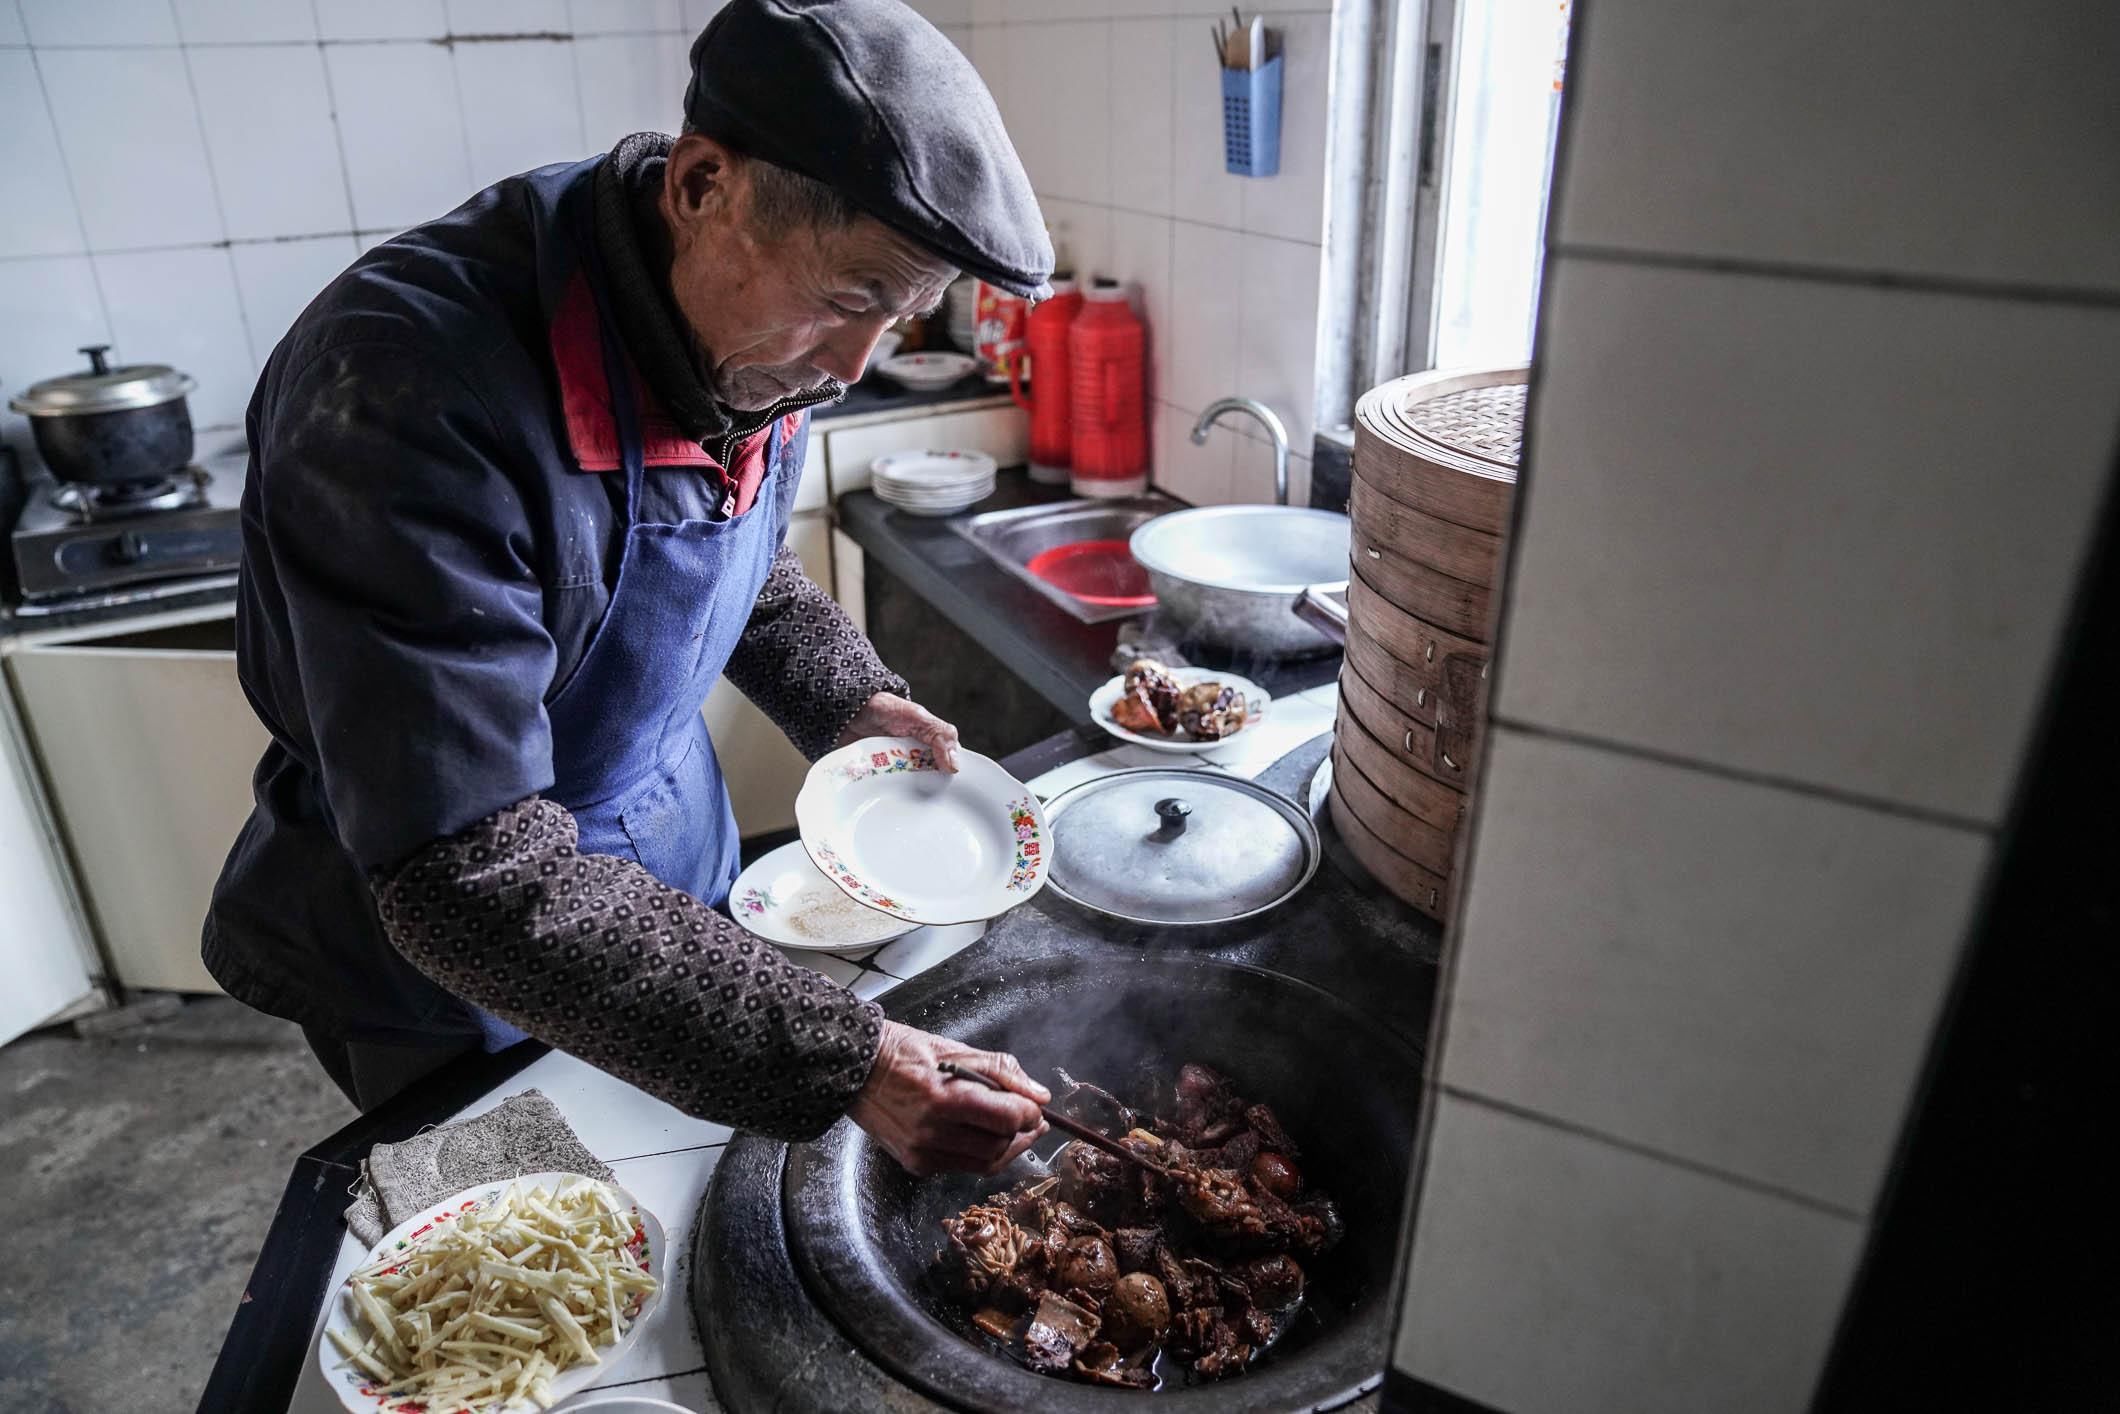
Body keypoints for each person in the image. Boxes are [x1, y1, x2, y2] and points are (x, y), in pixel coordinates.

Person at [202, 0, 1053, 1178]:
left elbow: (719, 551)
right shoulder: (406, 390)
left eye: (903, 315)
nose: (854, 369)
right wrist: (845, 1061)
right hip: (452, 956)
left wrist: (845, 701)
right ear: (705, 183)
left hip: (669, 856)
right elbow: (468, 875)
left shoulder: (744, 334)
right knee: (546, 1267)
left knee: (690, 1187)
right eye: (851, 298)